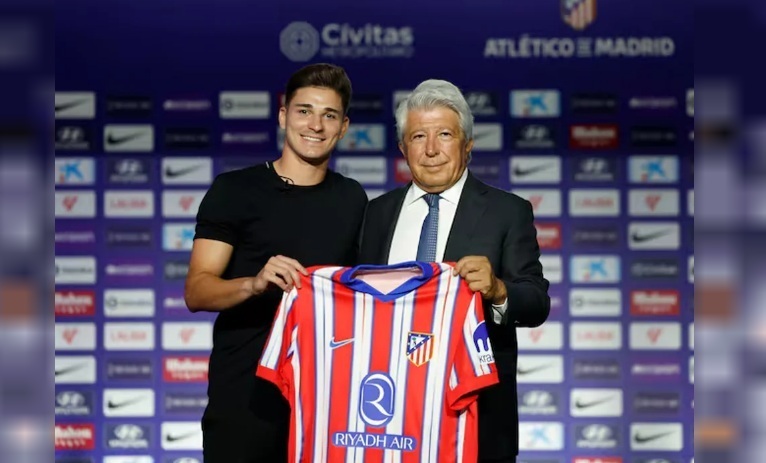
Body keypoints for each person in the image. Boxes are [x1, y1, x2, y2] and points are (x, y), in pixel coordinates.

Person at [358, 79, 550, 462]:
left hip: (473, 416)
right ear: (402, 148)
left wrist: (498, 290)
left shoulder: (506, 211)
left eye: (444, 134)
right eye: (418, 136)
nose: (430, 150)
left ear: (468, 144)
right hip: (386, 415)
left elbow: (536, 302)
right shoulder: (375, 213)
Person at [184, 63, 368, 463]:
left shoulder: (354, 199)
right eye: (304, 111)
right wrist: (254, 283)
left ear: (343, 128)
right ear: (284, 116)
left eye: (329, 115)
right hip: (244, 397)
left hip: (325, 399)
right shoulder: (234, 190)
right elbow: (197, 289)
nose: (315, 125)